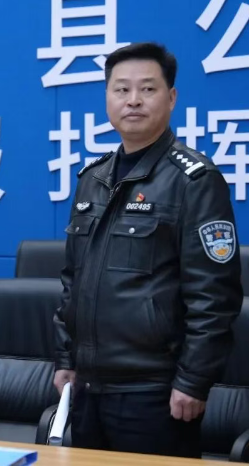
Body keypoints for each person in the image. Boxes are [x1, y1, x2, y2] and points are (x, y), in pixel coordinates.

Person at [53, 43, 242, 458]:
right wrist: (66, 358)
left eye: (148, 89)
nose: (133, 100)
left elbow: (215, 296)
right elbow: (72, 281)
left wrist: (193, 381)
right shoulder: (92, 179)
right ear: (107, 98)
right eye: (121, 89)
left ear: (171, 98)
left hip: (155, 393)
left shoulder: (194, 180)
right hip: (88, 388)